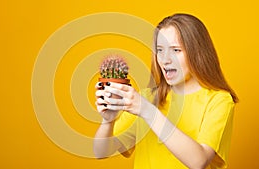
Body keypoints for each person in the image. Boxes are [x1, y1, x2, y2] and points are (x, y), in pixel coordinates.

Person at [94, 13, 238, 169]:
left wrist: (147, 111)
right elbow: (101, 152)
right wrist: (107, 121)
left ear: (198, 53)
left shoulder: (219, 100)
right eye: (160, 50)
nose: (165, 59)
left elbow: (198, 162)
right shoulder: (146, 98)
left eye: (176, 50)